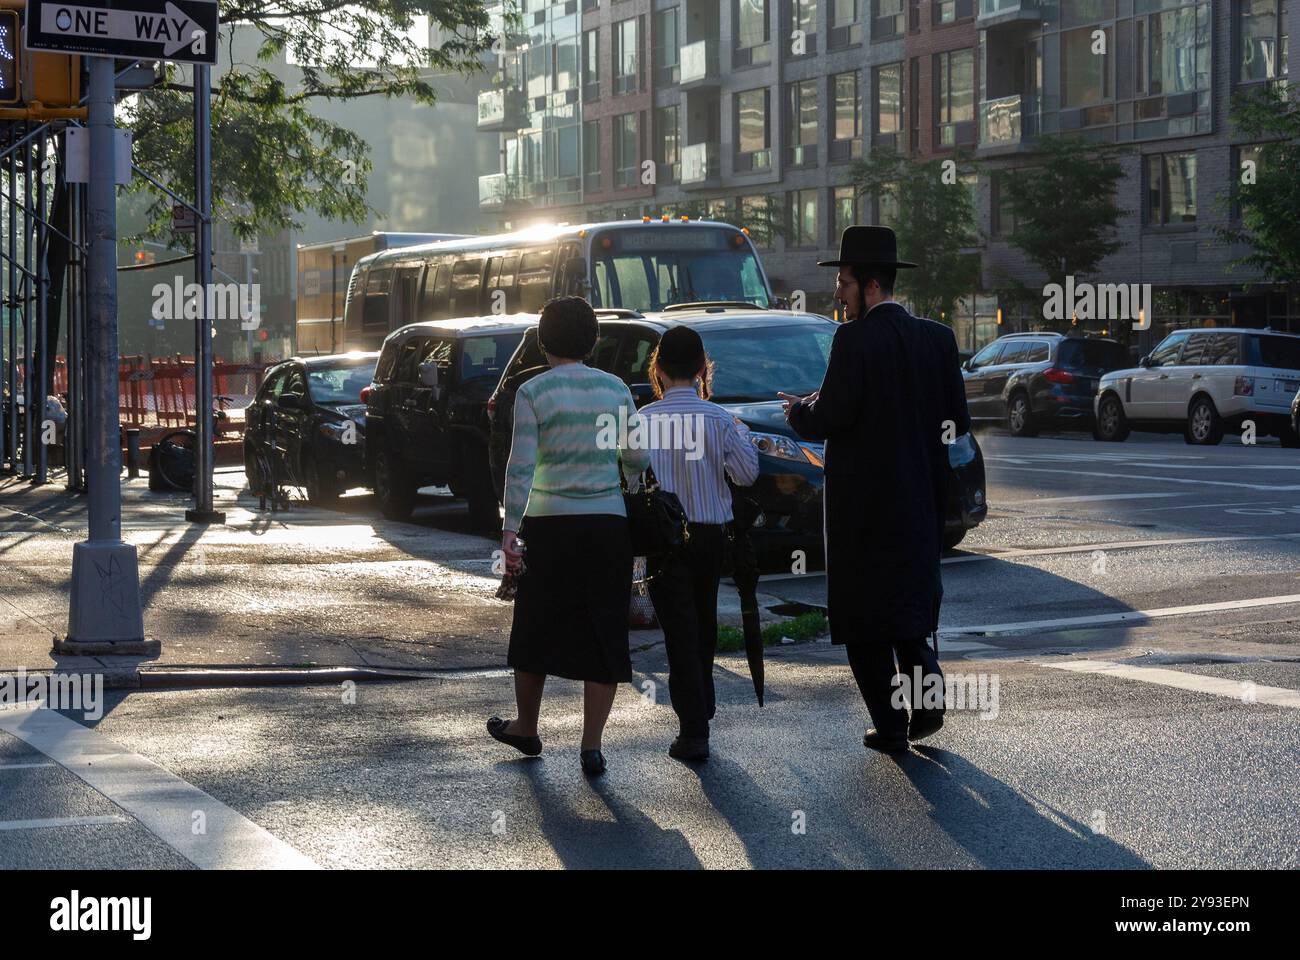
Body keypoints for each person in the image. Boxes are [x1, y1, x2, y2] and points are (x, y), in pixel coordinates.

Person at [780, 225, 970, 753]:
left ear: (867, 285)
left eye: (842, 283)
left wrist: (797, 410)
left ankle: (890, 726)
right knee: (908, 612)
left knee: (864, 622)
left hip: (862, 507)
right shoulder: (938, 338)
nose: (837, 294)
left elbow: (830, 415)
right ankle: (926, 705)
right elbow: (957, 419)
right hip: (919, 501)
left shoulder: (854, 339)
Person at [487, 296, 651, 777]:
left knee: (536, 622)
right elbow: (636, 457)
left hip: (549, 523)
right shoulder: (616, 389)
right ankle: (591, 746)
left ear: (542, 340)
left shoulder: (534, 392)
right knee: (603, 628)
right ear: (593, 340)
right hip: (607, 527)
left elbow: (521, 467)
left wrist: (510, 530)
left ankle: (527, 726)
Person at [640, 327, 759, 762]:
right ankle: (701, 709)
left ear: (658, 368)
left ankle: (693, 728)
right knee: (703, 621)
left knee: (679, 632)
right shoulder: (722, 420)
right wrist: (739, 436)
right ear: (701, 369)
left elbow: (631, 480)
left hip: (664, 538)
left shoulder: (643, 420)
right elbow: (747, 475)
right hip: (711, 536)